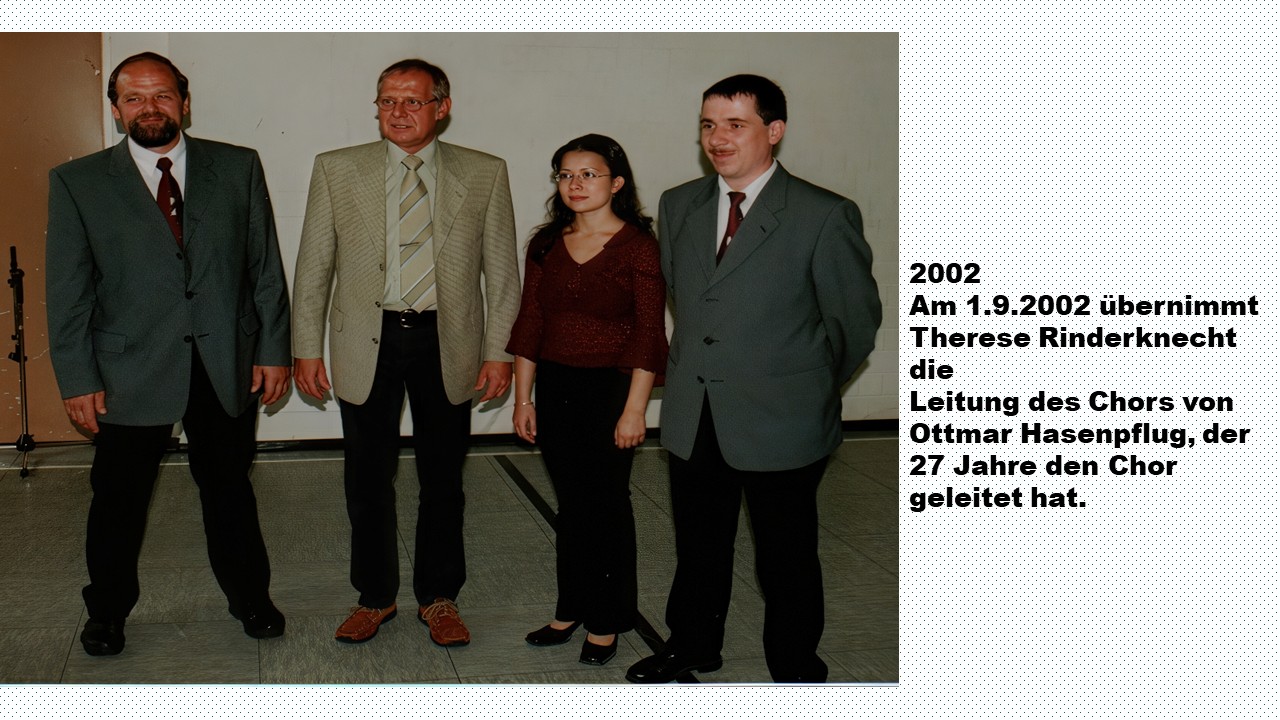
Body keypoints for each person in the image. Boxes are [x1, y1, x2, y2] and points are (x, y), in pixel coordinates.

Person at [625, 74, 882, 684]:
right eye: (708, 125)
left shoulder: (823, 214)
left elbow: (854, 323)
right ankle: (693, 645)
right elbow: (689, 301)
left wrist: (802, 386)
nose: (718, 138)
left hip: (783, 417)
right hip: (696, 411)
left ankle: (794, 665)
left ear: (775, 130)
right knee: (699, 545)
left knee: (785, 555)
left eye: (735, 125)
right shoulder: (679, 205)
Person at [45, 52, 292, 657]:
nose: (148, 108)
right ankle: (107, 611)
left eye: (161, 95)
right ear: (116, 109)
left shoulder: (237, 166)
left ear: (184, 101)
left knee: (229, 490)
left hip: (224, 361)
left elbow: (264, 268)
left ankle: (250, 597)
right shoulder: (77, 182)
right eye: (133, 97)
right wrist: (77, 378)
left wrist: (273, 350)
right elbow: (69, 291)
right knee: (118, 501)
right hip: (126, 369)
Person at [291, 58, 521, 647]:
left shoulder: (485, 172)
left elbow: (502, 273)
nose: (397, 112)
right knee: (367, 477)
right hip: (365, 340)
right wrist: (305, 348)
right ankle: (375, 596)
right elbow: (313, 265)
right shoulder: (338, 169)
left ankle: (439, 597)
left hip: (449, 339)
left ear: (442, 107)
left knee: (443, 477)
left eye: (412, 101)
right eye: (387, 101)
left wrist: (499, 352)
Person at [506, 134, 668, 666]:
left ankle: (607, 617)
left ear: (616, 183)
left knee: (607, 505)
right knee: (572, 504)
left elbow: (648, 333)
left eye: (588, 174)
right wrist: (523, 399)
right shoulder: (546, 244)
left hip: (612, 390)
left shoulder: (638, 247)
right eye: (565, 175)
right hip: (555, 386)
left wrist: (635, 410)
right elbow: (531, 321)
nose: (575, 184)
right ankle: (570, 607)